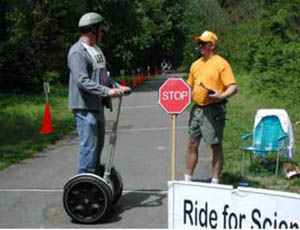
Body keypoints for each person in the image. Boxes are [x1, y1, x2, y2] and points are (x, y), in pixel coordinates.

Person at [68, 12, 131, 175]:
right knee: (89, 146)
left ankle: (94, 180)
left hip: (97, 106)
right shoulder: (77, 52)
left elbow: (103, 76)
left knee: (98, 146)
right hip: (84, 107)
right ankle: (84, 184)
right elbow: (82, 81)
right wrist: (107, 91)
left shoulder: (96, 50)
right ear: (92, 30)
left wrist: (117, 86)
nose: (102, 33)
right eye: (100, 29)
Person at [184, 31, 237, 184]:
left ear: (212, 45)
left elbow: (233, 87)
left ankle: (215, 181)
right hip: (197, 109)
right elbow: (188, 87)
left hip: (213, 109)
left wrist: (221, 96)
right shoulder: (195, 64)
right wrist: (175, 101)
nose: (199, 46)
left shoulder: (221, 63)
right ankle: (187, 180)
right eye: (198, 44)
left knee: (214, 145)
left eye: (202, 43)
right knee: (192, 143)